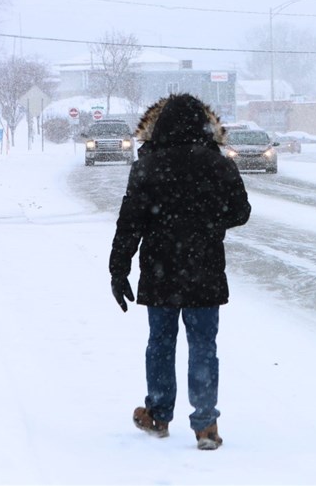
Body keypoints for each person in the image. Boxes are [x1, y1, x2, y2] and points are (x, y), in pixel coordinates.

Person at [109, 93, 251, 451]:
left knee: (160, 343)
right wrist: (207, 224)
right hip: (204, 269)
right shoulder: (218, 164)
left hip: (160, 271)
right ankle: (206, 425)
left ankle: (158, 415)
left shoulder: (148, 165)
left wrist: (118, 270)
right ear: (204, 126)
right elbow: (241, 211)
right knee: (203, 345)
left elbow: (130, 223)